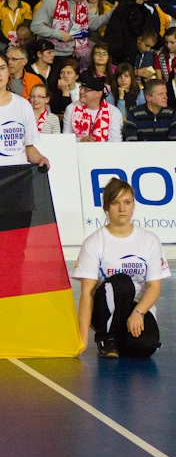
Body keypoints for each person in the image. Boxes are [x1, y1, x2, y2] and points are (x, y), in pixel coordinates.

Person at [73, 178, 167, 358]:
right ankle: (106, 337)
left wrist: (138, 312)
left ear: (133, 205)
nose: (122, 209)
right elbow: (87, 293)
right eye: (115, 203)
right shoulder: (94, 242)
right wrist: (82, 339)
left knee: (145, 346)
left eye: (127, 202)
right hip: (104, 309)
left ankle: (120, 338)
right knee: (123, 283)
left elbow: (154, 287)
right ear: (106, 207)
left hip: (136, 307)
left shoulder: (150, 241)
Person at [62, 72, 122, 141]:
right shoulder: (71, 109)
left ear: (99, 94)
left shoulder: (114, 112)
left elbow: (115, 140)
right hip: (78, 150)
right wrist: (80, 140)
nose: (81, 92)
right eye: (81, 88)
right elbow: (66, 137)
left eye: (86, 90)